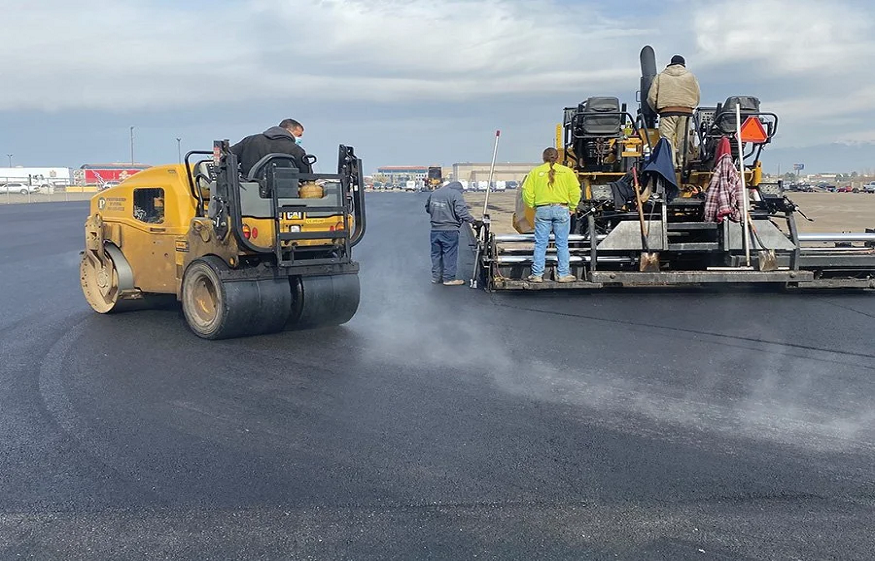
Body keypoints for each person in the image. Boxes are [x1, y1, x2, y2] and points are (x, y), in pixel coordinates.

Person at [522, 148, 581, 283]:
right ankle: (563, 274)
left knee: (540, 243)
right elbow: (576, 191)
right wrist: (572, 207)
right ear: (558, 157)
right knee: (562, 243)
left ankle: (537, 275)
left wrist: (534, 206)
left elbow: (526, 193)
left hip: (542, 209)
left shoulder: (535, 172)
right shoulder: (567, 172)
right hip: (562, 208)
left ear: (543, 158)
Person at [646, 55, 701, 168]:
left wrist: (658, 109)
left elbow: (651, 97)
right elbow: (697, 95)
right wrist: (691, 107)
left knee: (666, 139)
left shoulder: (660, 77)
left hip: (666, 112)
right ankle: (682, 165)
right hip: (686, 112)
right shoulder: (690, 77)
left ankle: (670, 166)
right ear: (683, 64)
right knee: (683, 140)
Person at [425, 180, 481, 285]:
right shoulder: (456, 194)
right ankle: (449, 278)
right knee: (449, 254)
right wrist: (474, 221)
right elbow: (461, 212)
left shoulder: (435, 193)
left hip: (435, 229)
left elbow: (427, 208)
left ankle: (436, 277)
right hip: (450, 229)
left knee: (436, 254)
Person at [230, 118, 308, 177]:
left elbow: (228, 157)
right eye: (299, 135)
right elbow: (307, 176)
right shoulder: (296, 150)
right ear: (288, 130)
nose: (300, 139)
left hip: (248, 193)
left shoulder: (250, 141)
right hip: (285, 194)